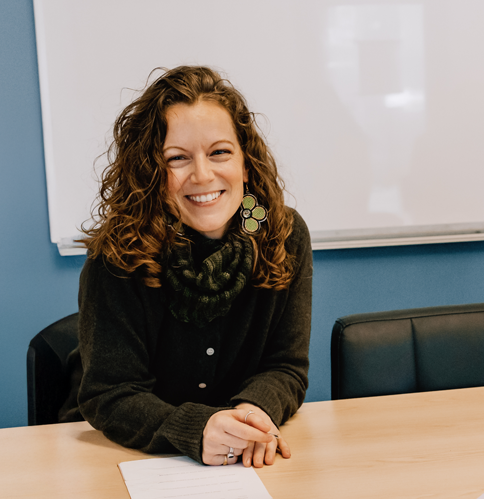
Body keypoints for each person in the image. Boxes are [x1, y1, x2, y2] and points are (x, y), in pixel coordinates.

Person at [58, 66, 313, 469]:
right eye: (177, 158)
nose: (202, 174)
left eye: (220, 152)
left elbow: (285, 367)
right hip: (124, 457)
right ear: (153, 175)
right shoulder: (117, 255)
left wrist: (253, 412)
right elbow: (110, 394)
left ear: (245, 163)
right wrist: (197, 428)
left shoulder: (283, 234)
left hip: (242, 457)